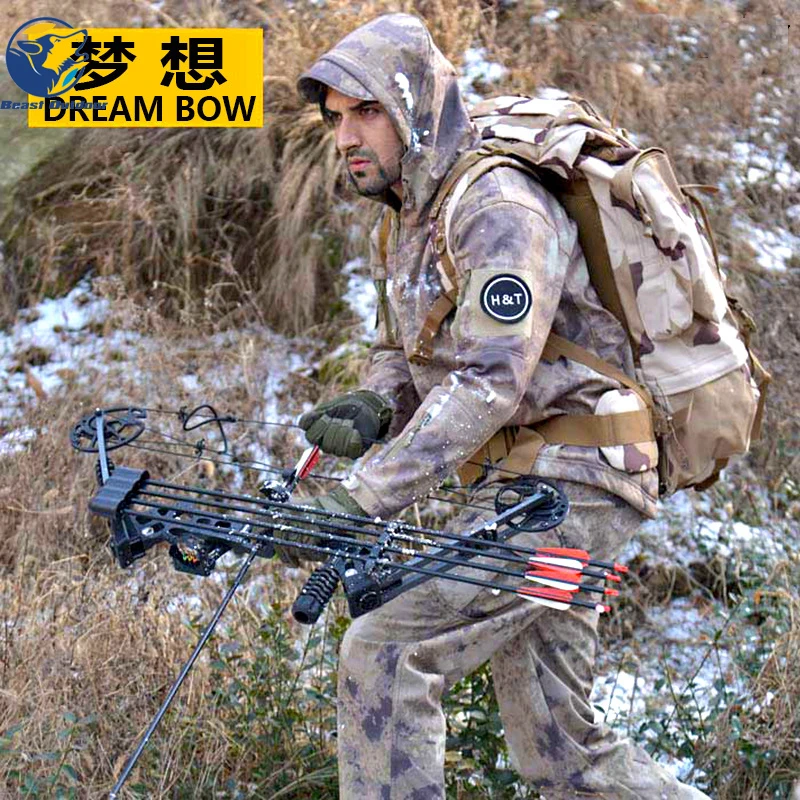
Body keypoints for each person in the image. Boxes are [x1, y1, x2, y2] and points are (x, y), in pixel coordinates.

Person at [294, 13, 709, 800]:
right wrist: (375, 401)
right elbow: (406, 346)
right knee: (563, 752)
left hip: (571, 482)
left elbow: (490, 378)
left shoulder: (496, 207)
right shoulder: (411, 218)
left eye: (368, 111)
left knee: (386, 653)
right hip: (540, 483)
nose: (347, 136)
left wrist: (363, 498)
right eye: (337, 117)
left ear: (415, 107)